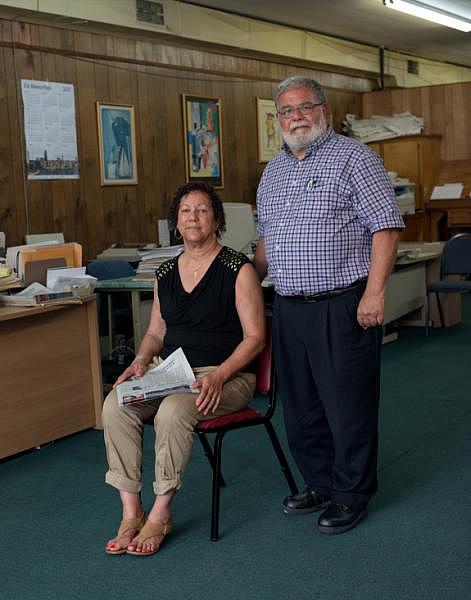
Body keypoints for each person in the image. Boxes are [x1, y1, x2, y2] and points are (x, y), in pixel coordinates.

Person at [254, 75, 404, 535]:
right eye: (286, 111)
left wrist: (375, 292)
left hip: (342, 304)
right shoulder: (273, 171)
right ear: (277, 118)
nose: (295, 117)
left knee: (347, 403)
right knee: (301, 406)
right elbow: (265, 241)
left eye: (304, 107)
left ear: (323, 109)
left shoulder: (355, 158)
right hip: (289, 306)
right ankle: (320, 481)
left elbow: (386, 226)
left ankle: (351, 493)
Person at [103, 181, 265, 555]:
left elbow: (255, 338)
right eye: (186, 211)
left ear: (217, 219)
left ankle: (160, 513)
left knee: (174, 412)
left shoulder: (236, 269)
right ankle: (131, 512)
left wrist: (220, 375)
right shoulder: (165, 272)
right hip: (170, 372)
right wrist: (141, 360)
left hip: (226, 375)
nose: (193, 218)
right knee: (116, 405)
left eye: (202, 210)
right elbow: (156, 332)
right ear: (176, 222)